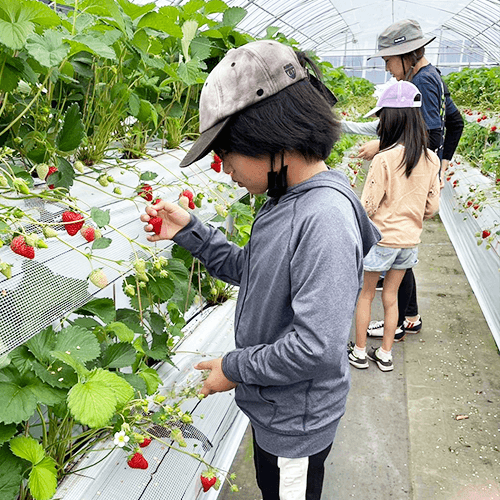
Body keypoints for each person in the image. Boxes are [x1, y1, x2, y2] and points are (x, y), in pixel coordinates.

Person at [141, 40, 380, 499]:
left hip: (296, 424)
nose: (223, 166)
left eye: (227, 150)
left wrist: (234, 367)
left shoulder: (323, 219)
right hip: (277, 408)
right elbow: (251, 269)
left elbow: (315, 348)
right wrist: (189, 229)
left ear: (270, 138)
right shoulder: (285, 201)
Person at [354, 19, 464, 340]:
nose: (388, 68)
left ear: (409, 54)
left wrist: (384, 145)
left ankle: (402, 322)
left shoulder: (424, 82)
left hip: (411, 177)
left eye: (389, 60)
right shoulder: (432, 77)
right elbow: (454, 123)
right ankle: (410, 317)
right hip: (421, 175)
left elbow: (429, 134)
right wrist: (441, 163)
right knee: (404, 248)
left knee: (398, 245)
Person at [348, 80, 441, 372]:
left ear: (391, 119)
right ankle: (386, 354)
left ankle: (360, 351)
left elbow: (368, 206)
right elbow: (431, 208)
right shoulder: (431, 158)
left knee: (366, 295)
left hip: (381, 241)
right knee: (391, 297)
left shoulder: (384, 159)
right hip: (409, 241)